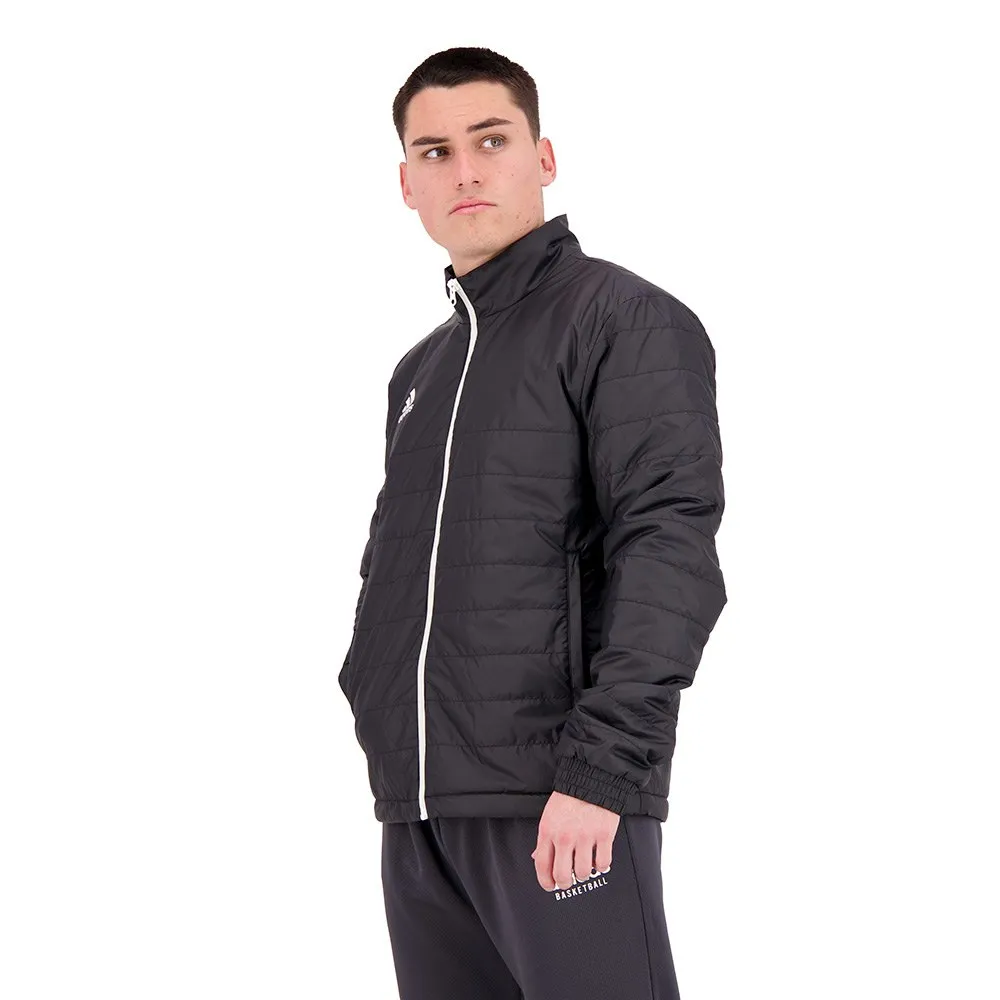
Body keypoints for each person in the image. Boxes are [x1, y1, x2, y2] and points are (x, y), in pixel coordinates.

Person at [338, 45, 728, 1000]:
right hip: (422, 811)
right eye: (434, 152)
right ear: (405, 183)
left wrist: (603, 774)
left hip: (562, 798)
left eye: (491, 140)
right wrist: (378, 717)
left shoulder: (623, 320)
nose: (464, 172)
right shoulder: (420, 371)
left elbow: (668, 551)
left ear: (543, 158)